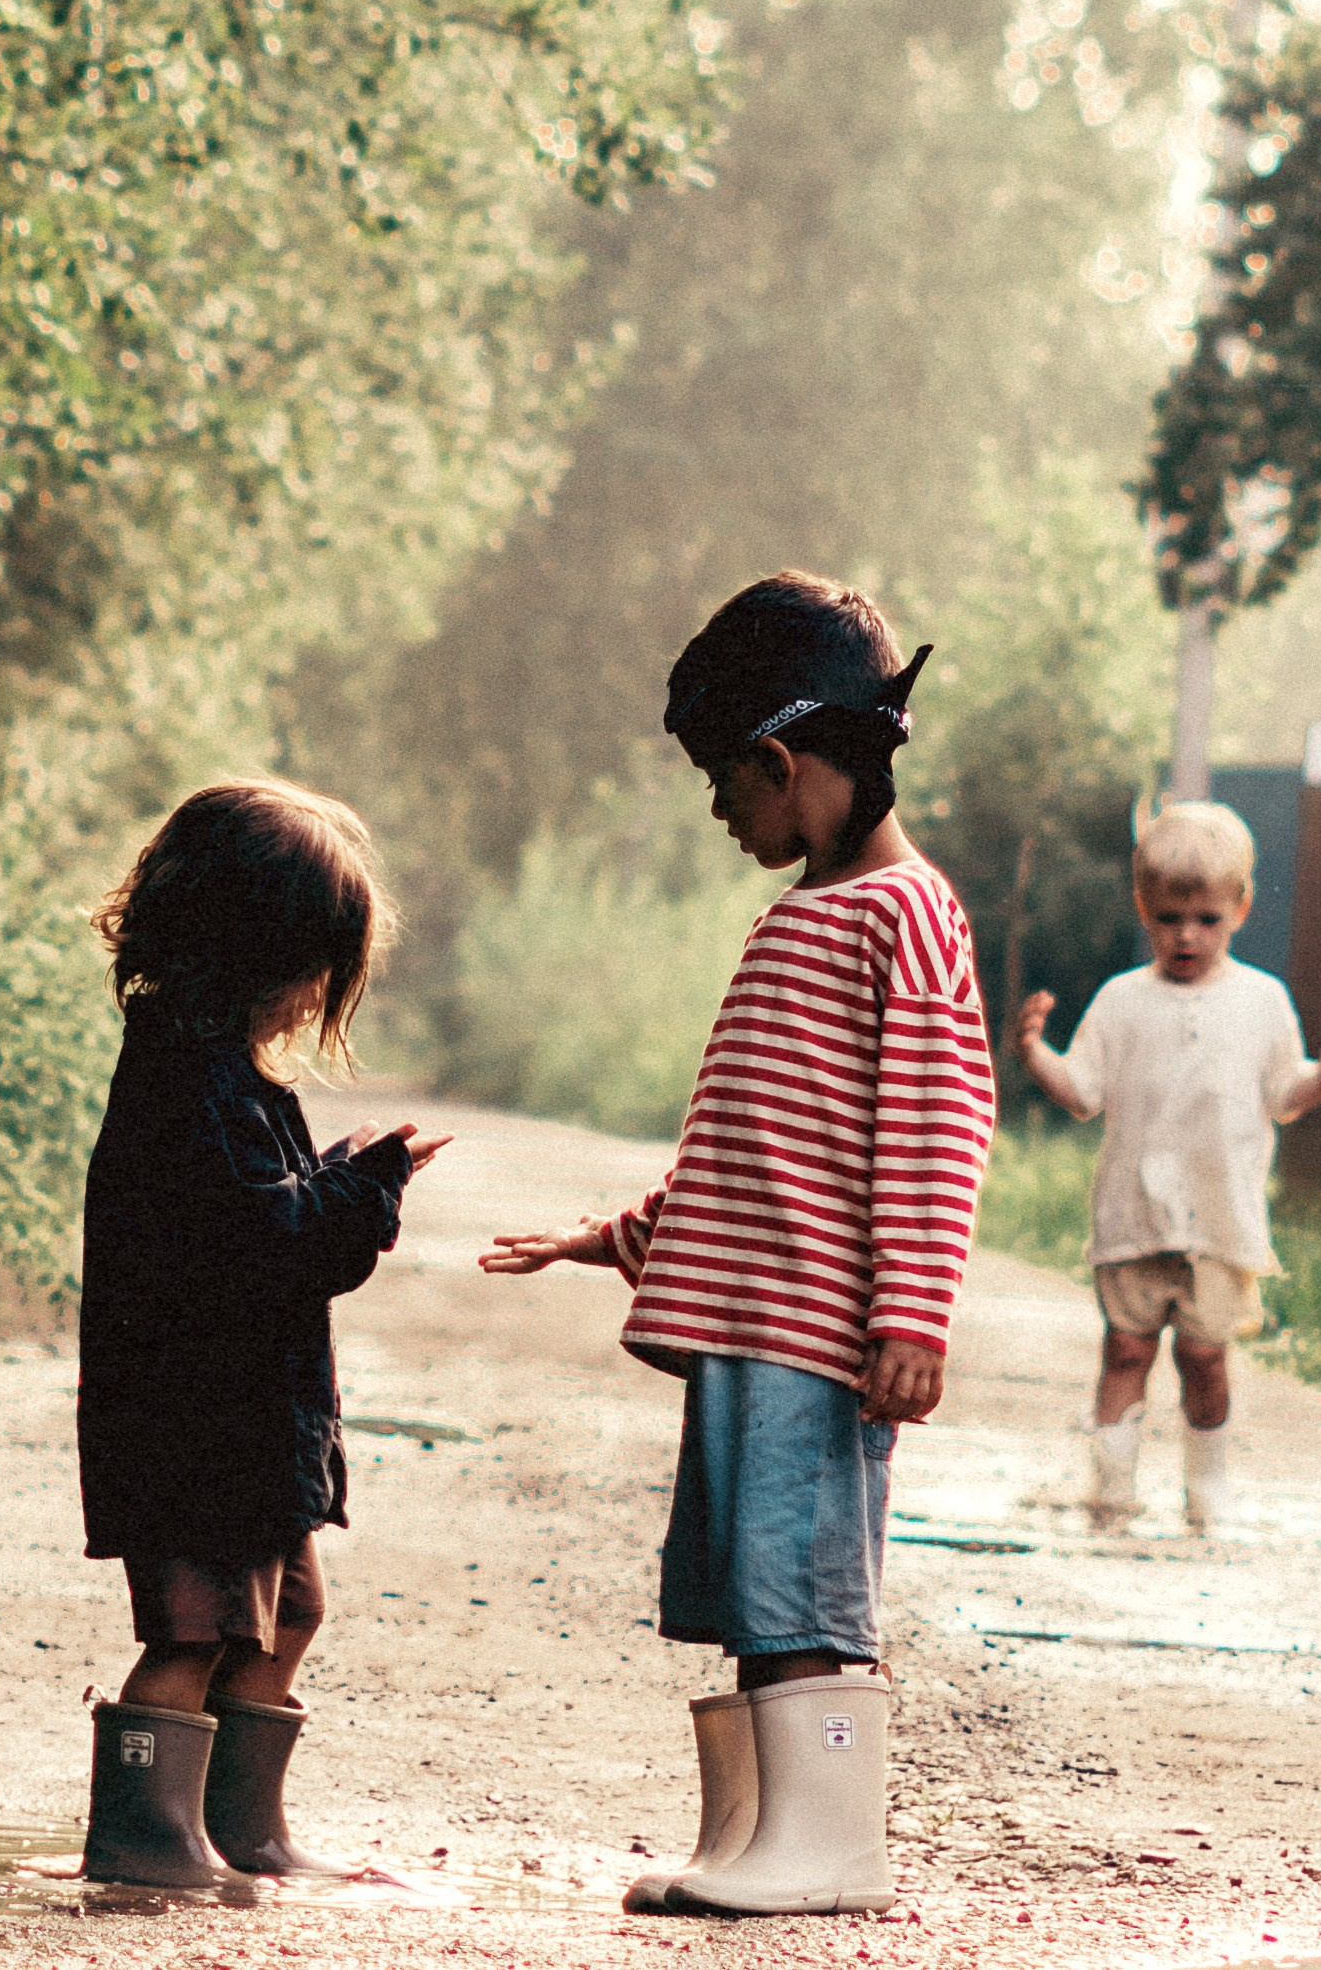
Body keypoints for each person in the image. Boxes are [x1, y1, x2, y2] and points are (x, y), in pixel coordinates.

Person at [481, 573, 995, 1919]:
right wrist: (610, 1239)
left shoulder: (903, 919)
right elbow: (748, 1161)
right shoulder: (802, 920)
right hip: (747, 1332)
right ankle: (761, 1830)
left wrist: (914, 1313)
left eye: (726, 784)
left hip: (818, 1342)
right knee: (754, 1584)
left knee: (808, 1590)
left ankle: (831, 1843)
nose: (721, 811)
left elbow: (939, 1131)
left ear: (782, 763)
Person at [76, 778, 451, 1888]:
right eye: (312, 967)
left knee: (286, 1614)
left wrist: (336, 1178)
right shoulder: (181, 1084)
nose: (315, 994)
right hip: (195, 1430)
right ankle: (145, 1835)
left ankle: (242, 1827)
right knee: (193, 1632)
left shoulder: (222, 1079)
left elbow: (263, 1219)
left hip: (247, 1429)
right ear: (248, 951)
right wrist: (363, 1189)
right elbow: (265, 1240)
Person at [1014, 799, 1321, 1533]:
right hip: (1133, 1218)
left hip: (1220, 1220)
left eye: (1207, 918)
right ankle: (1111, 1492)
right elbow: (1083, 1094)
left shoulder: (1263, 1000)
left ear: (1239, 908)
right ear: (1145, 908)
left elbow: (1283, 1095)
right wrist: (1037, 1054)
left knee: (1206, 1358)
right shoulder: (1121, 1000)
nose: (1187, 935)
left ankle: (1208, 1491)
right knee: (1126, 1350)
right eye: (1171, 917)